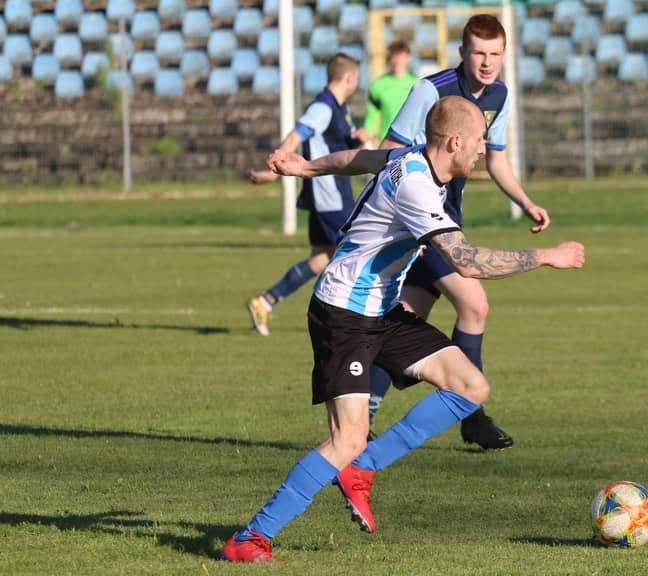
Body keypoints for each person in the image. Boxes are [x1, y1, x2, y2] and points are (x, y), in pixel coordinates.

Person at [221, 96, 585, 563]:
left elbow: (359, 159)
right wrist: (547, 257)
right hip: (344, 314)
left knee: (471, 386)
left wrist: (306, 167)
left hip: (382, 309)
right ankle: (251, 537)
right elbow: (467, 261)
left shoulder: (411, 157)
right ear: (454, 142)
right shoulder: (415, 185)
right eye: (478, 141)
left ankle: (362, 470)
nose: (483, 150)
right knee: (347, 439)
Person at [371, 14, 549, 450]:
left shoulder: (500, 94)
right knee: (474, 304)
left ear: (504, 54)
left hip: (447, 222)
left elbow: (497, 159)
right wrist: (407, 213)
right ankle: (472, 415)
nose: (487, 62)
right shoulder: (431, 90)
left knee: (406, 319)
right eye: (478, 53)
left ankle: (361, 417)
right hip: (421, 223)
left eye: (495, 54)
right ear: (462, 52)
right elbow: (389, 152)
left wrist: (524, 202)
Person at [244, 53, 371, 336]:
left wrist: (356, 139)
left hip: (330, 193)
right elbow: (295, 137)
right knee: (358, 251)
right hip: (329, 195)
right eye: (357, 78)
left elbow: (336, 144)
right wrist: (274, 169)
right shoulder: (323, 107)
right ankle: (349, 319)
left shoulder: (339, 107)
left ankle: (264, 301)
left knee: (322, 257)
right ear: (349, 78)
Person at [363, 40, 419, 147]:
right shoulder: (378, 85)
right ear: (389, 58)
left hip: (412, 143)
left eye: (401, 56)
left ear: (408, 58)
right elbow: (371, 116)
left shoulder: (417, 84)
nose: (397, 60)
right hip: (387, 143)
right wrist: (366, 141)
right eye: (394, 56)